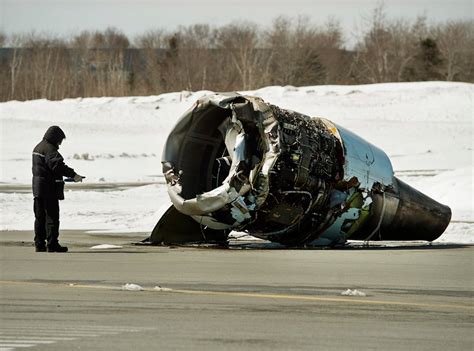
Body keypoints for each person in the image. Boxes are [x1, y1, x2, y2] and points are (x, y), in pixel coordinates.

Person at [32, 126, 85, 253]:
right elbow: (57, 166)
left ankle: (39, 244)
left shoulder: (38, 147)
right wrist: (74, 175)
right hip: (49, 189)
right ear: (55, 138)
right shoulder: (50, 150)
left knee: (40, 217)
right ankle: (52, 244)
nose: (60, 143)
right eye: (60, 140)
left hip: (38, 188)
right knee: (52, 217)